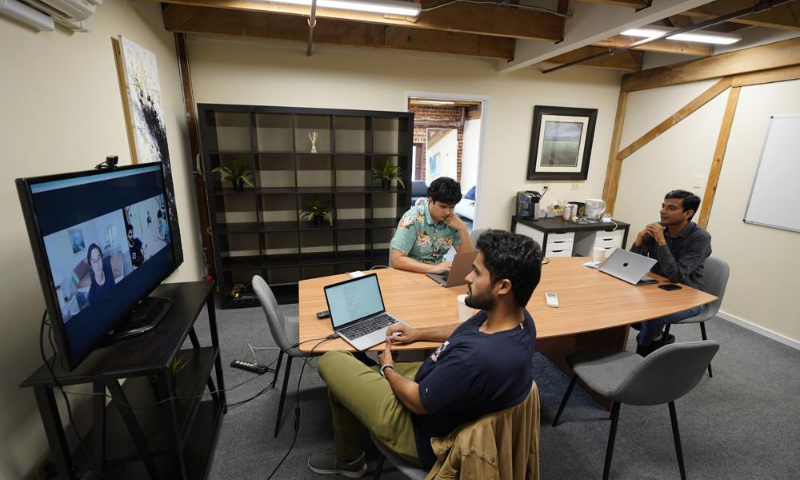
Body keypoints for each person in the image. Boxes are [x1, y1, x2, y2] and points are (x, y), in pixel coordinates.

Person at [308, 230, 541, 477]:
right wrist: (417, 334)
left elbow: (417, 402)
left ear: (503, 286)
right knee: (346, 381)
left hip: (420, 431)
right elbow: (466, 328)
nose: (467, 276)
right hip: (439, 386)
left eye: (477, 272)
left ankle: (349, 461)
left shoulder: (475, 360)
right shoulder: (518, 319)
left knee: (333, 358)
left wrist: (387, 368)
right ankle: (349, 458)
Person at [631, 189, 712, 356]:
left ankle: (641, 357)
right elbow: (633, 266)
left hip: (689, 296)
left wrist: (661, 242)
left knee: (652, 317)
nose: (662, 211)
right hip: (657, 289)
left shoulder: (700, 238)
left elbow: (676, 276)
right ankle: (658, 337)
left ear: (687, 213)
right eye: (663, 206)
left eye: (671, 208)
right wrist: (638, 241)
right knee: (622, 304)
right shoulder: (660, 228)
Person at [390, 177, 473, 274]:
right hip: (412, 273)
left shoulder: (453, 221)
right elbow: (397, 260)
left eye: (452, 207)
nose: (447, 212)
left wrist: (463, 229)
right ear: (430, 200)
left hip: (439, 273)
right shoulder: (413, 218)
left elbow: (468, 262)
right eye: (443, 206)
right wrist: (434, 268)